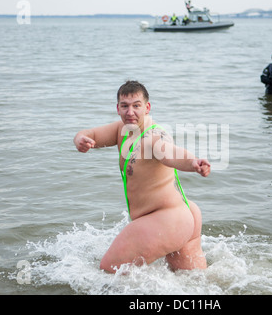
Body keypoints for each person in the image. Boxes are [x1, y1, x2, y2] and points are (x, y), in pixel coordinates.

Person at [73, 81, 210, 273]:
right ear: (118, 109)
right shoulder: (121, 130)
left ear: (147, 108)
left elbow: (171, 153)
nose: (130, 112)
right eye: (125, 106)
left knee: (109, 270)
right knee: (194, 283)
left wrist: (193, 163)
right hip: (184, 213)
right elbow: (92, 134)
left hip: (168, 219)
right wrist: (80, 139)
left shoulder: (154, 137)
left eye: (136, 106)